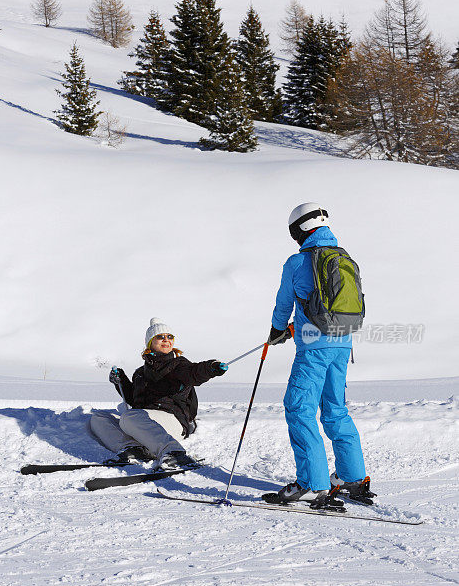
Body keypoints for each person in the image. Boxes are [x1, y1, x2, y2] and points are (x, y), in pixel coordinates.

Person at [262, 203, 368, 505]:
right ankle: (351, 477)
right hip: (343, 343)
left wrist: (277, 330)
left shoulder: (298, 262)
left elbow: (285, 303)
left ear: (299, 230)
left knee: (299, 408)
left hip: (313, 350)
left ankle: (312, 484)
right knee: (335, 408)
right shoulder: (343, 257)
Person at [90, 317, 228, 470]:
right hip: (145, 420)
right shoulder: (140, 373)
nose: (166, 340)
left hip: (172, 420)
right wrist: (120, 381)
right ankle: (132, 450)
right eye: (160, 336)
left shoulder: (178, 365)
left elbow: (194, 372)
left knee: (129, 417)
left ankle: (174, 452)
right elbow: (134, 401)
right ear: (150, 342)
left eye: (170, 337)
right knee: (99, 418)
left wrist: (210, 368)